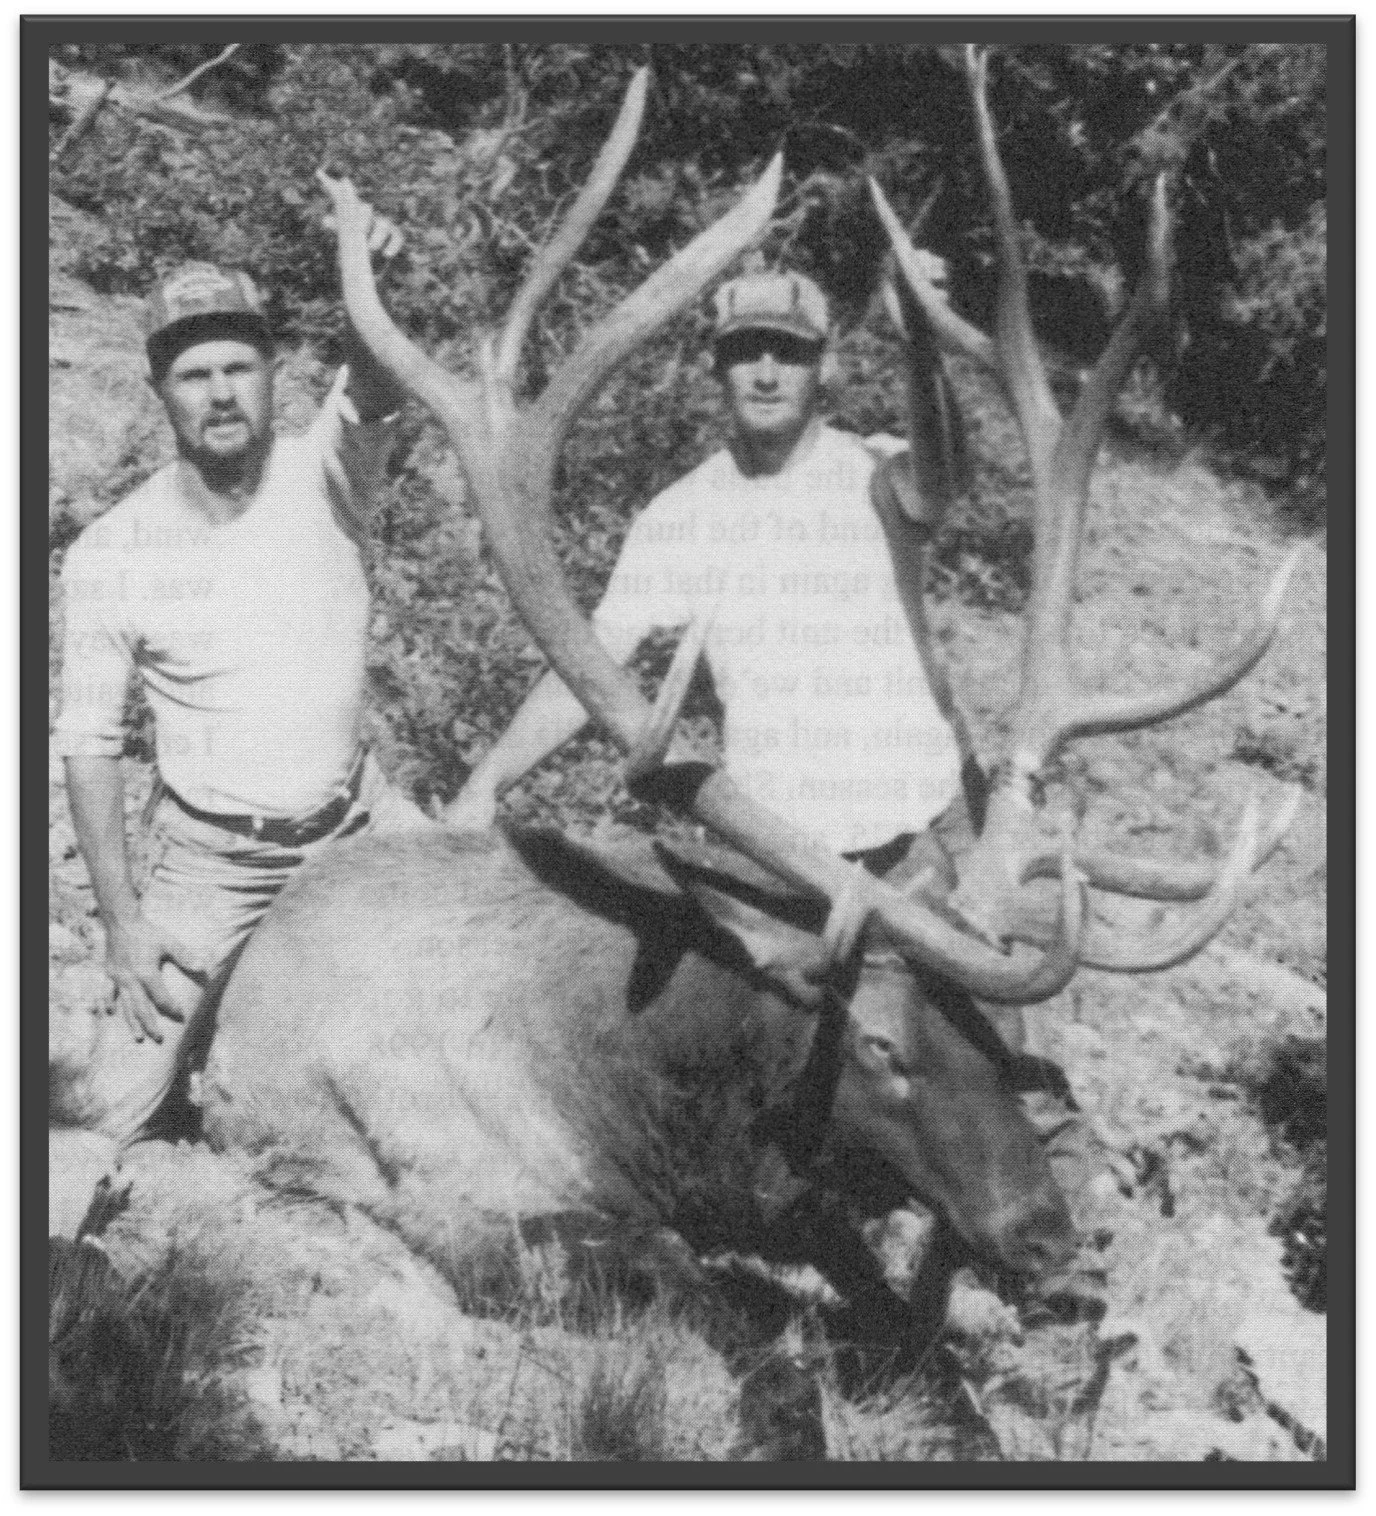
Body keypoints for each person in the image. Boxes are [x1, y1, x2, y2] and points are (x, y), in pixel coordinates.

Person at [447, 267, 1123, 1316]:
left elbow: (943, 476)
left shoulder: (877, 473)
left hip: (916, 834)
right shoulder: (682, 515)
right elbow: (594, 664)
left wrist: (918, 339)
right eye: (743, 351)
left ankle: (1070, 1274)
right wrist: (487, 779)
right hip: (785, 864)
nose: (764, 370)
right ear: (716, 369)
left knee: (992, 1057)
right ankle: (871, 1280)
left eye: (788, 351)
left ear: (824, 366)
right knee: (816, 1083)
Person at [54, 182, 429, 1145]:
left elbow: (376, 388)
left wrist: (368, 283)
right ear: (161, 391)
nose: (220, 393)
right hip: (214, 861)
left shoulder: (328, 477)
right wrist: (123, 923)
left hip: (361, 823)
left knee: (498, 965)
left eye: (239, 367)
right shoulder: (113, 551)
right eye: (193, 374)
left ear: (273, 375)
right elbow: (90, 746)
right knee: (103, 1117)